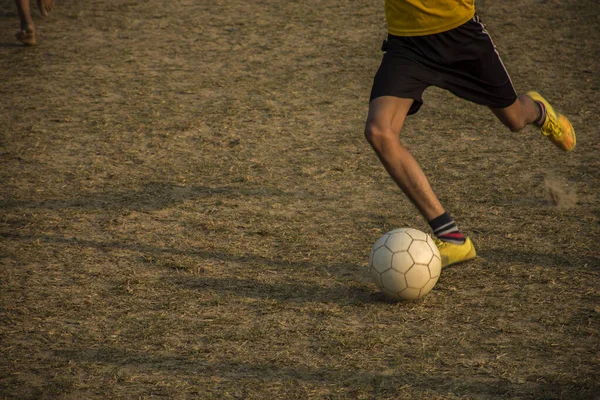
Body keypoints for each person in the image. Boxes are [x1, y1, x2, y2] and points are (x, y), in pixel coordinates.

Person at [364, 0, 576, 268]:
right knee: (379, 131)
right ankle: (451, 237)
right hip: (407, 44)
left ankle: (538, 110)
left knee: (514, 118)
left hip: (460, 36)